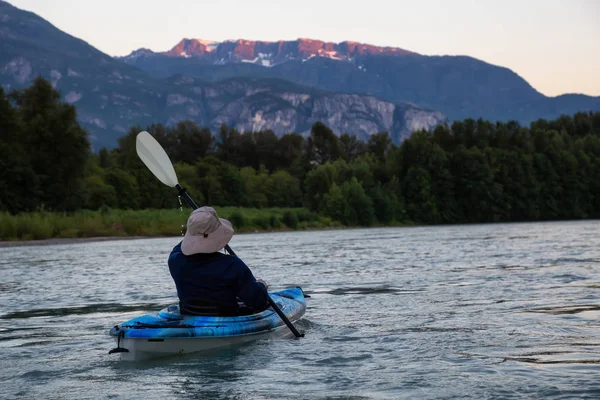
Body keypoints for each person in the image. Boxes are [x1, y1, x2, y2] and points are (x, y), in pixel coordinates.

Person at [168, 206, 270, 316]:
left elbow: (181, 247)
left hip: (191, 318)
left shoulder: (175, 260)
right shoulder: (232, 265)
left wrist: (196, 230)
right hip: (227, 322)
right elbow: (257, 302)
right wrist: (261, 286)